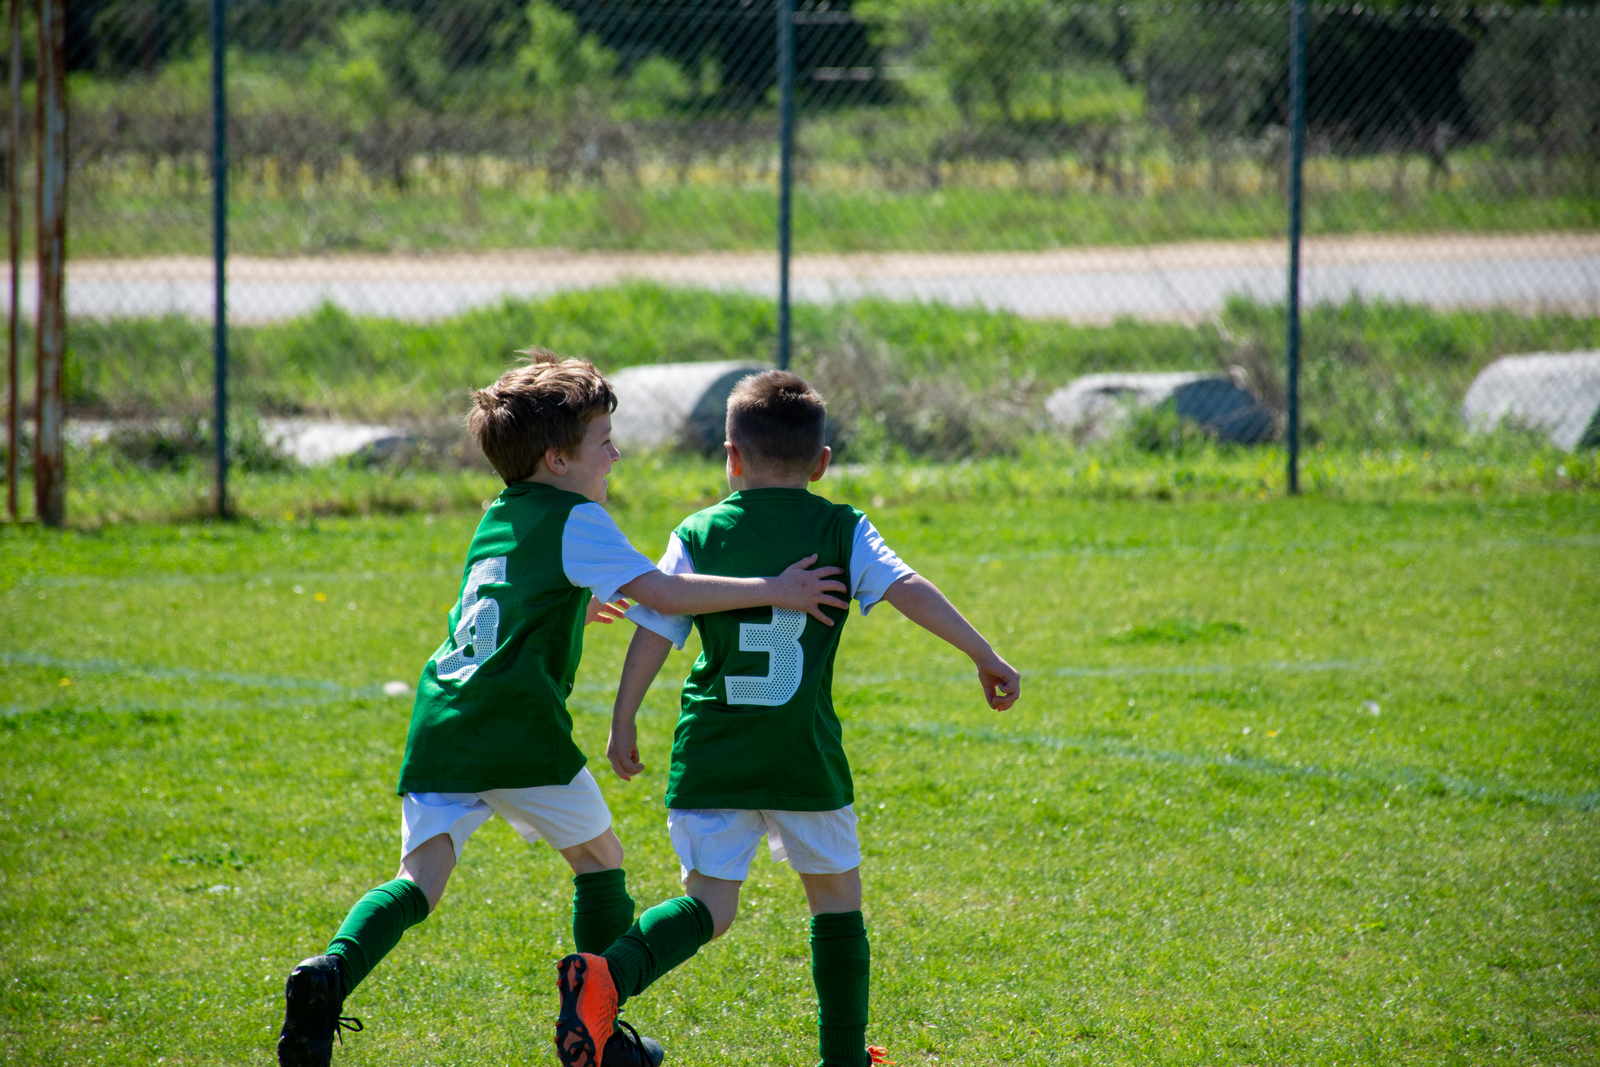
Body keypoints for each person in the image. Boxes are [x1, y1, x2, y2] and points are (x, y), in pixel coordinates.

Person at [276, 353, 849, 1067]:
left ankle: (329, 972)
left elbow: (514, 597)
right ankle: (599, 1036)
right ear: (557, 459)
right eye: (604, 441)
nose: (616, 454)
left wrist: (576, 601)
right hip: (517, 730)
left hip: (443, 721)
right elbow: (665, 594)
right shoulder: (580, 517)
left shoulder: (499, 514)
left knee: (418, 880)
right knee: (601, 859)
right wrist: (776, 588)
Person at [550, 370, 1021, 1067]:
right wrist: (984, 653)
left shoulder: (699, 531)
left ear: (731, 457)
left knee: (709, 905)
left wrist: (624, 719)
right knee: (835, 901)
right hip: (802, 755)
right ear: (822, 462)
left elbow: (654, 624)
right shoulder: (840, 527)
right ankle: (843, 1058)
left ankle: (608, 977)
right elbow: (907, 587)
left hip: (713, 752)